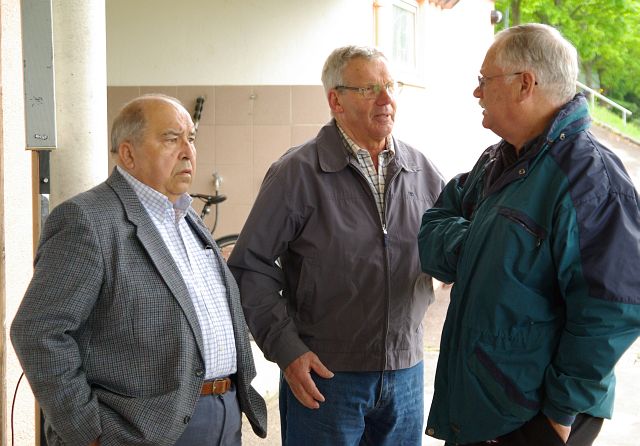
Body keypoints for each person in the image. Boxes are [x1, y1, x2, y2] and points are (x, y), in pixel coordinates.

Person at [418, 23, 640, 446]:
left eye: (484, 80)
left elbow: (613, 309)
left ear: (524, 84)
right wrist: (480, 245)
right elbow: (432, 233)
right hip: (479, 408)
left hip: (532, 418)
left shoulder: (591, 179)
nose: (477, 92)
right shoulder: (497, 161)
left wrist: (559, 416)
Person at [11, 94, 267, 446]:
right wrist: (89, 432)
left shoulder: (186, 217)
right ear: (128, 154)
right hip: (137, 430)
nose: (187, 151)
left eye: (191, 139)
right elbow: (38, 331)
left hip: (222, 417)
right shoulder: (88, 220)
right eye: (171, 139)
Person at [227, 45, 444, 445]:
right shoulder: (297, 173)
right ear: (336, 101)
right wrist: (287, 351)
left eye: (391, 86)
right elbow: (249, 267)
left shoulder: (421, 170)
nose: (386, 99)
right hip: (326, 375)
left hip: (405, 374)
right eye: (369, 89)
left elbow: (448, 250)